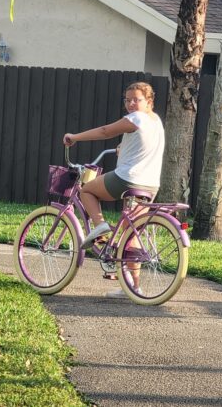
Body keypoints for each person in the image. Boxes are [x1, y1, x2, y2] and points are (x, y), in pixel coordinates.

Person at [63, 82, 165, 296]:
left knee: (87, 191)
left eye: (136, 99)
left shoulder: (136, 118)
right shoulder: (156, 122)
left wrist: (75, 137)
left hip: (128, 179)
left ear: (149, 101)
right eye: (127, 100)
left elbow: (104, 131)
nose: (130, 104)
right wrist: (123, 148)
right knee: (132, 232)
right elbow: (143, 146)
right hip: (150, 184)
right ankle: (133, 287)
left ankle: (100, 226)